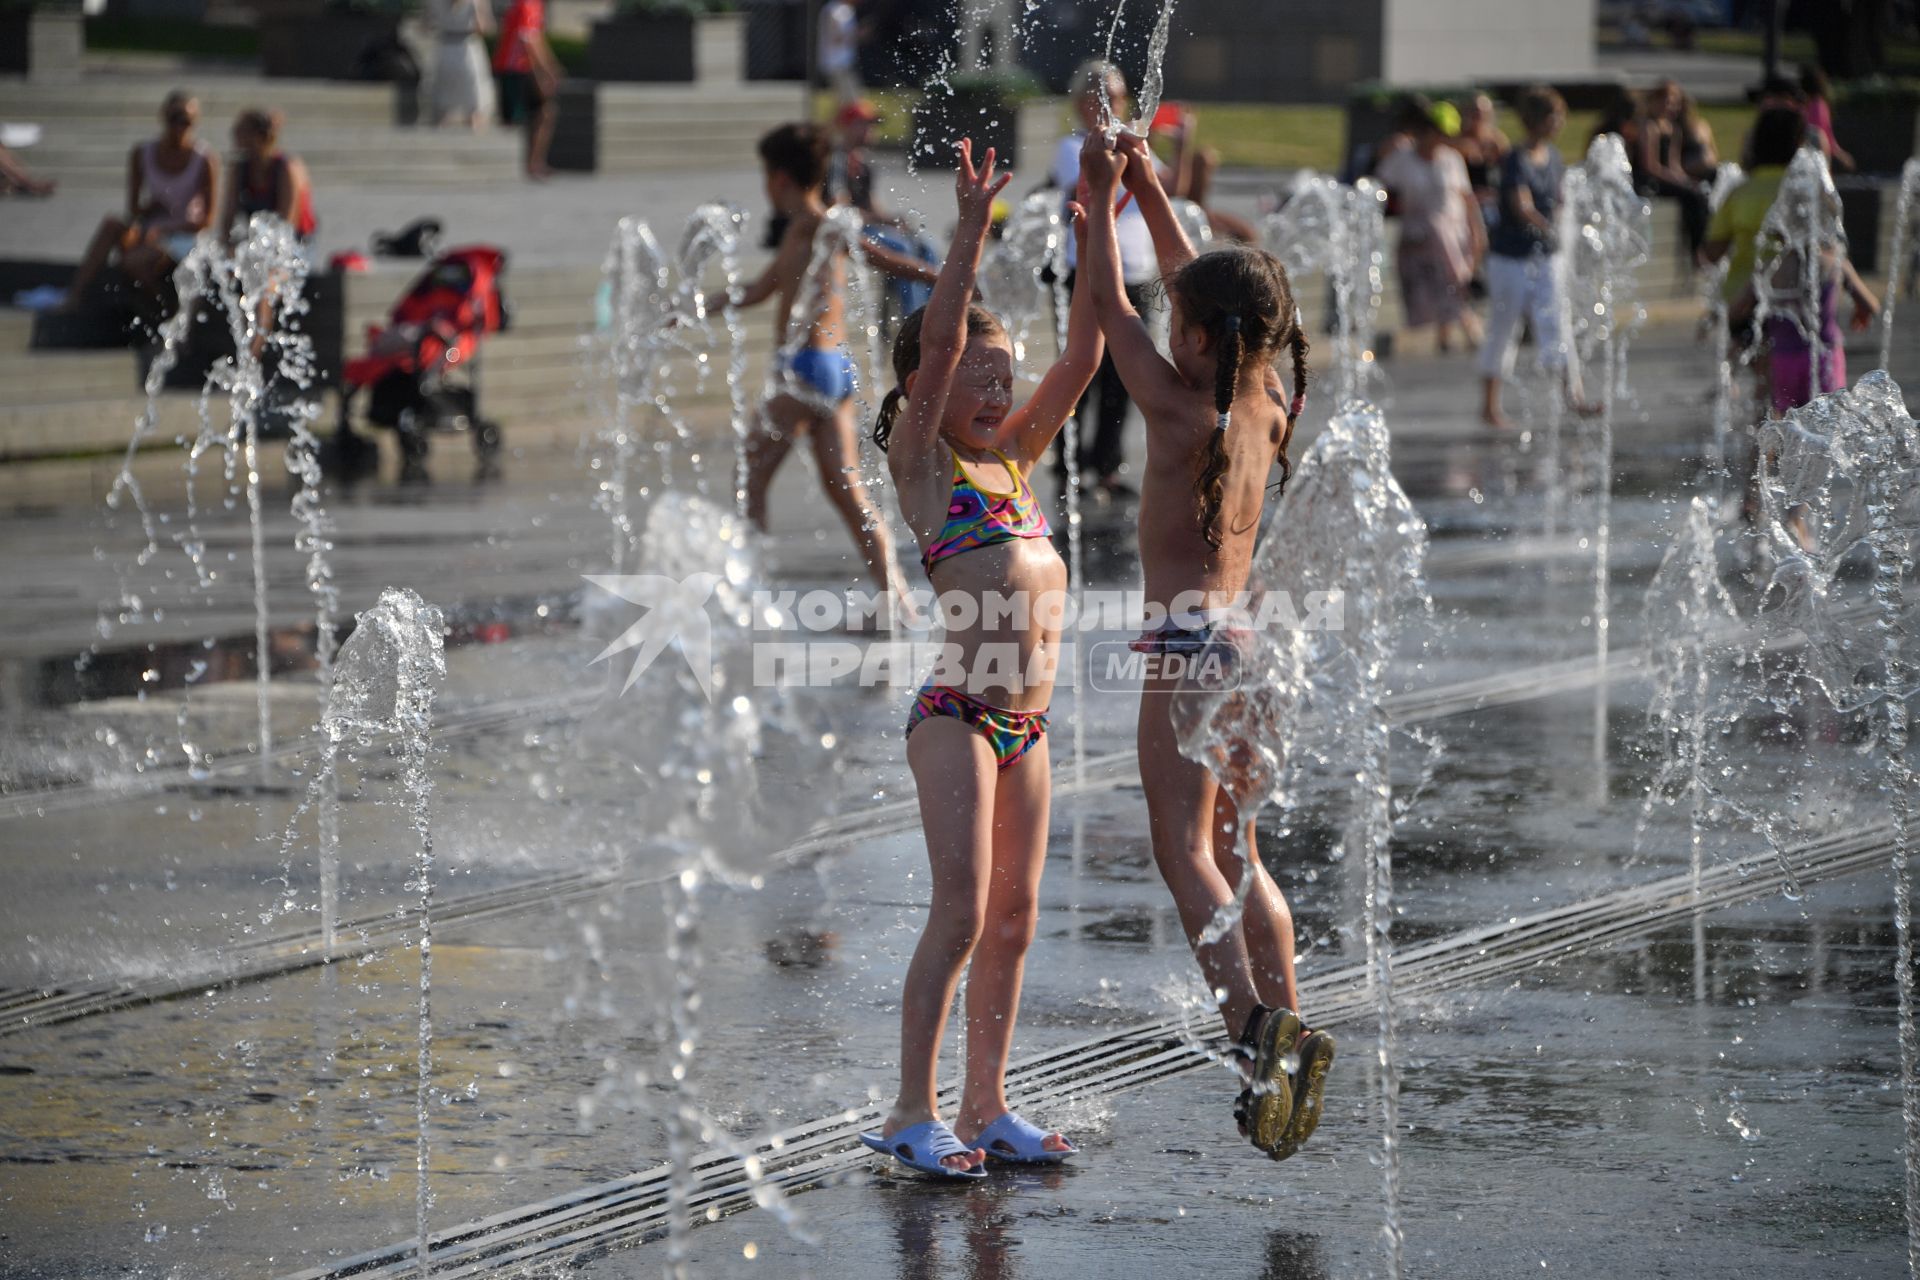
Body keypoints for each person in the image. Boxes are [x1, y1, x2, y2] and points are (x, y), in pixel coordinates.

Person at [1080, 127, 1333, 1160]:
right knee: (1243, 847)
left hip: (1187, 648)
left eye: (1179, 318)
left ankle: (1250, 1035)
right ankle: (1294, 1014)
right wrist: (1147, 182)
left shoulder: (1178, 404)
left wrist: (1099, 201)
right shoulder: (1264, 394)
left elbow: (1109, 308)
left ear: (1193, 338)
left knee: (1182, 849)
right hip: (1255, 641)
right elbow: (1195, 291)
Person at [858, 139, 1104, 1179]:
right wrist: (968, 231)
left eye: (1005, 374)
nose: (999, 388)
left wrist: (1100, 228)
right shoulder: (926, 466)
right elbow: (945, 330)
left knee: (1014, 915)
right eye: (978, 375)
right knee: (960, 908)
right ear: (930, 386)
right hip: (957, 715)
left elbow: (1089, 353)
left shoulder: (1012, 462)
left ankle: (987, 1101)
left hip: (1028, 724)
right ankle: (913, 1112)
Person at [707, 123, 905, 597]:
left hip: (802, 370)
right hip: (833, 370)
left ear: (778, 179)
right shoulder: (812, 227)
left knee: (747, 479)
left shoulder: (817, 224)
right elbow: (758, 291)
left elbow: (880, 257)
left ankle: (751, 594)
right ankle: (895, 597)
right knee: (848, 492)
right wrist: (697, 307)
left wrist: (942, 275)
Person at [1052, 59, 1156, 500]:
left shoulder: (1131, 145)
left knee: (1125, 375)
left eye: (1115, 97)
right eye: (1100, 97)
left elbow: (1166, 190)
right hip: (1087, 270)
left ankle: (1108, 466)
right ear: (1081, 103)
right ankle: (1069, 462)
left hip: (1136, 270)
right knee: (1081, 368)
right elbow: (1094, 185)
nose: (1110, 105)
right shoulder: (1071, 147)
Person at [1478, 86, 1593, 429]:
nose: (1559, 123)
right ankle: (1489, 406)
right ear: (1538, 120)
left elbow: (1559, 201)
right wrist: (1550, 228)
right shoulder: (1516, 158)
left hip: (1546, 257)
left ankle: (1573, 397)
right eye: (1555, 116)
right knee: (1504, 327)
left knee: (1557, 323)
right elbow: (1520, 205)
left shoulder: (1554, 156)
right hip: (1510, 258)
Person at [62, 90, 219, 311]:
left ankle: (164, 306)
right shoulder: (142, 153)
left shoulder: (204, 159)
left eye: (186, 121)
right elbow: (134, 209)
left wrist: (165, 227)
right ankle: (75, 295)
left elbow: (207, 220)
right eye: (174, 118)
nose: (179, 127)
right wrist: (148, 213)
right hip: (151, 228)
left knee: (134, 261)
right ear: (163, 117)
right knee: (111, 225)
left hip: (183, 234)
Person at [1375, 96, 1484, 352]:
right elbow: (1378, 184)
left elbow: (1467, 199)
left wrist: (1477, 233)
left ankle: (1462, 330)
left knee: (1454, 283)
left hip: (1451, 235)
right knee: (1426, 290)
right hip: (1417, 235)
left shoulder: (1451, 160)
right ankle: (1445, 335)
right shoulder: (1403, 157)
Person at [1635, 80, 1712, 262]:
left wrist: (1685, 180)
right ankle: (1696, 250)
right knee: (1692, 196)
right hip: (1650, 180)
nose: (1671, 107)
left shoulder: (1672, 129)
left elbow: (1673, 164)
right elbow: (1650, 166)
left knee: (1701, 191)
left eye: (1674, 103)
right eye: (1667, 102)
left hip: (1665, 177)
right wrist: (1676, 180)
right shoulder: (1649, 127)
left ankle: (1704, 242)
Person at [222, 110, 316, 244]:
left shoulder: (285, 168)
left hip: (297, 238)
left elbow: (288, 222)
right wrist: (225, 243)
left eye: (242, 133)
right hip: (259, 237)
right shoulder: (239, 168)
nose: (236, 137)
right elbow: (228, 214)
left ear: (260, 137)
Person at [494, 0, 558, 179]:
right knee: (518, 117)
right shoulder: (527, 4)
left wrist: (550, 67)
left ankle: (534, 162)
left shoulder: (532, 4)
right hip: (515, 68)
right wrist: (546, 71)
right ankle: (529, 164)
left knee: (543, 112)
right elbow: (528, 40)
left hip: (518, 67)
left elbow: (537, 39)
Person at [429, 0, 495, 129]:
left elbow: (484, 27)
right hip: (449, 43)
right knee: (447, 81)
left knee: (474, 82)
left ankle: (475, 114)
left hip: (467, 44)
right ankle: (446, 113)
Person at [1451, 91, 1510, 219]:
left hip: (1491, 201)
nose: (1479, 117)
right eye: (1475, 112)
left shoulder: (1497, 141)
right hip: (1466, 202)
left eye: (1483, 113)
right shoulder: (1458, 142)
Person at [1799, 64, 1856, 173]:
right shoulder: (1819, 106)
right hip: (1819, 156)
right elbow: (1825, 134)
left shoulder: (1804, 106)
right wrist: (1840, 154)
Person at [818, 0, 861, 110]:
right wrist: (859, 34)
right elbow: (836, 37)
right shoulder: (833, 9)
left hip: (845, 61)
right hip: (835, 62)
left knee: (851, 99)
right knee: (845, 100)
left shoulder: (847, 9)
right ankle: (838, 125)